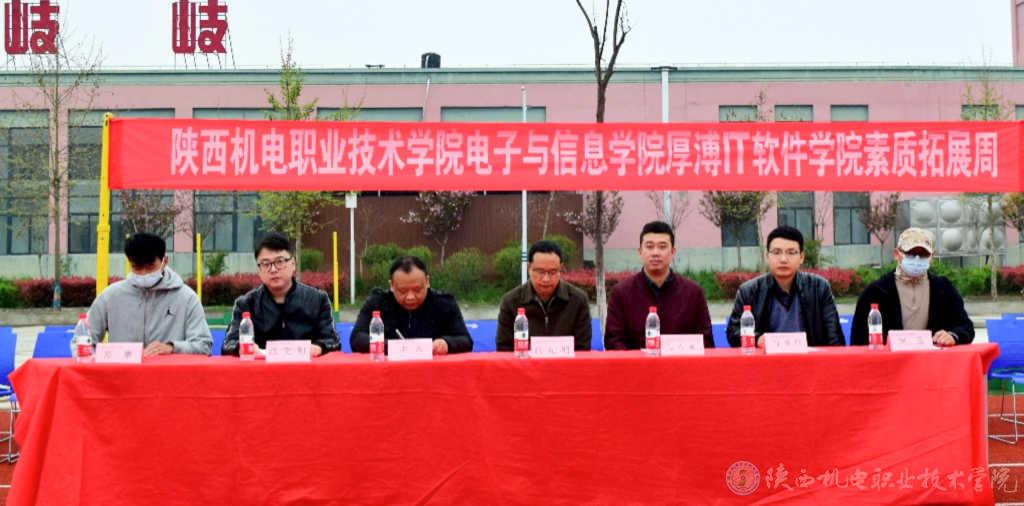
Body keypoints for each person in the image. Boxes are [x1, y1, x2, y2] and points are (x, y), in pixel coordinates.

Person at [87, 232, 212, 356]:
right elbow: (83, 340)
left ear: (165, 261)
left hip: (168, 369)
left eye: (150, 267)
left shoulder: (186, 298)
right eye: (137, 267)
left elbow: (203, 345)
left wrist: (172, 347)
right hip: (122, 368)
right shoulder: (110, 297)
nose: (144, 273)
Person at [850, 227, 974, 346]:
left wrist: (953, 336)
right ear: (897, 254)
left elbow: (966, 326)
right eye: (910, 253)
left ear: (931, 257)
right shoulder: (875, 292)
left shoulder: (944, 289)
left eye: (923, 254)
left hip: (932, 359)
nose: (917, 259)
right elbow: (858, 340)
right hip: (891, 360)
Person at [222, 232, 340, 356]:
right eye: (266, 264)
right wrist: (243, 348)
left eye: (279, 262)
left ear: (293, 264)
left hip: (306, 366)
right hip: (261, 367)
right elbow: (228, 344)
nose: (273, 269)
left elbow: (332, 341)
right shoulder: (246, 304)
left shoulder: (317, 300)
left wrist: (318, 348)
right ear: (259, 270)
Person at [726, 226, 844, 347]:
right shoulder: (749, 291)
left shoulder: (819, 287)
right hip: (765, 358)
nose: (783, 259)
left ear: (801, 257)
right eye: (777, 252)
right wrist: (757, 339)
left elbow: (834, 337)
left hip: (810, 357)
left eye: (791, 252)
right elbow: (733, 332)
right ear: (767, 256)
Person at [605, 221, 714, 349]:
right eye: (649, 246)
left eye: (662, 247)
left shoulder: (693, 293)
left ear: (672, 252)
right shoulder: (621, 293)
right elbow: (613, 341)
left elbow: (705, 341)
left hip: (680, 361)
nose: (655, 253)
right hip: (636, 362)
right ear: (640, 252)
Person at [351, 256, 472, 354]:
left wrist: (447, 343)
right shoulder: (377, 302)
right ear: (391, 285)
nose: (410, 297)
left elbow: (465, 340)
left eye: (417, 290)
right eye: (402, 291)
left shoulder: (445, 304)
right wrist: (394, 347)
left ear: (427, 282)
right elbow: (357, 338)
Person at [496, 240, 592, 351]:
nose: (546, 279)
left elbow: (583, 349)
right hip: (524, 362)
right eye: (540, 272)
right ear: (529, 268)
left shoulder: (578, 300)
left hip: (566, 362)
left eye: (552, 272)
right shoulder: (511, 302)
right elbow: (504, 350)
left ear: (561, 269)